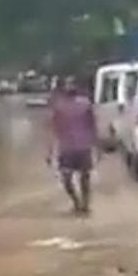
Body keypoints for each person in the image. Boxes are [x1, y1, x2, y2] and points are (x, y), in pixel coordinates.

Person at [47, 75, 96, 215]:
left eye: (72, 84)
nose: (70, 87)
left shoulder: (85, 104)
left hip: (82, 146)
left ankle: (84, 205)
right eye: (68, 85)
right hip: (68, 148)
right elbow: (53, 129)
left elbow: (93, 126)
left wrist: (97, 146)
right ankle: (77, 203)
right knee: (67, 178)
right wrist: (50, 151)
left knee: (84, 177)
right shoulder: (58, 106)